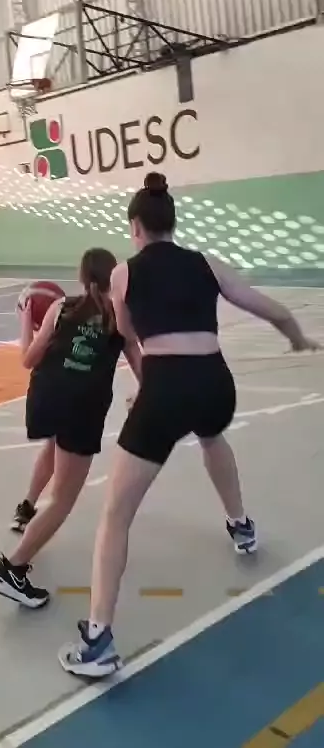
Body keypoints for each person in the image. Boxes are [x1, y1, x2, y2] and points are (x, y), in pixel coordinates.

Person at [59, 171, 320, 678]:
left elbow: (129, 333)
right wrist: (296, 337)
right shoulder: (207, 263)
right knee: (212, 435)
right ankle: (241, 525)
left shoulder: (123, 274)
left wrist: (150, 386)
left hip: (167, 389)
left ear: (136, 227)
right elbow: (269, 307)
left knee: (115, 514)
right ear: (172, 224)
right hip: (216, 384)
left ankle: (98, 641)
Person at [0, 247, 142, 608]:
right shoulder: (120, 318)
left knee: (54, 446)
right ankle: (12, 569)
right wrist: (143, 395)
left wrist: (26, 321)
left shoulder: (60, 307)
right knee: (62, 501)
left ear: (82, 278)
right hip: (81, 409)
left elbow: (28, 359)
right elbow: (142, 369)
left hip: (44, 399)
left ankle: (26, 506)